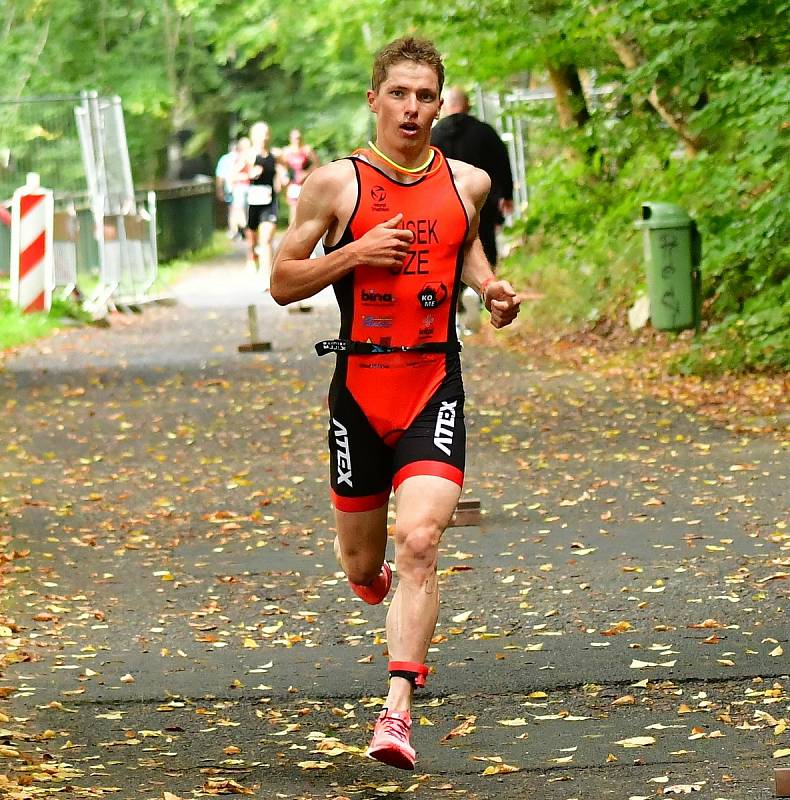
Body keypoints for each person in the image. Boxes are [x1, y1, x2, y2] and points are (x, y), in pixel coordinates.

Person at [270, 36, 520, 770]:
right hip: (359, 392)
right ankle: (368, 579)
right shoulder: (333, 185)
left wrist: (490, 289)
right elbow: (282, 282)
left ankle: (397, 712)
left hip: (432, 383)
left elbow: (462, 245)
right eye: (399, 94)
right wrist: (352, 253)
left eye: (425, 96)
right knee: (362, 561)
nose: (412, 109)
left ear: (439, 105)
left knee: (420, 542)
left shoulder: (467, 181)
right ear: (374, 99)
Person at [430, 86, 514, 268]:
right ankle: (486, 290)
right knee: (485, 248)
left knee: (450, 252)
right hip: (483, 206)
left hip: (445, 209)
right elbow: (502, 163)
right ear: (467, 104)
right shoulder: (485, 133)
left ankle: (455, 293)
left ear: (443, 106)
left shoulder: (432, 137)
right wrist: (507, 195)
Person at [244, 122, 286, 287]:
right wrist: (249, 174)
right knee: (253, 240)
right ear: (254, 136)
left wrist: (283, 178)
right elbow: (234, 175)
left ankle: (267, 278)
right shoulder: (249, 155)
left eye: (266, 134)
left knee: (267, 239)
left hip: (269, 200)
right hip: (254, 201)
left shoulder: (275, 154)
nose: (264, 137)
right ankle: (252, 256)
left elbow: (283, 168)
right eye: (261, 134)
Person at [282, 129, 320, 223]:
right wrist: (284, 178)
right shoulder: (286, 151)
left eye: (299, 138)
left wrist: (306, 173)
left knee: (307, 209)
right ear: (290, 139)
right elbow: (282, 167)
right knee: (293, 209)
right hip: (292, 184)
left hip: (305, 183)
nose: (297, 140)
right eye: (295, 138)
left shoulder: (307, 150)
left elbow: (317, 164)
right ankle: (292, 232)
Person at [214, 141, 237, 238]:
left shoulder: (224, 159)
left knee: (232, 209)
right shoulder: (242, 157)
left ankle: (234, 230)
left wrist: (219, 190)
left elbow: (220, 177)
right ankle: (237, 230)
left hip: (230, 188)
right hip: (239, 187)